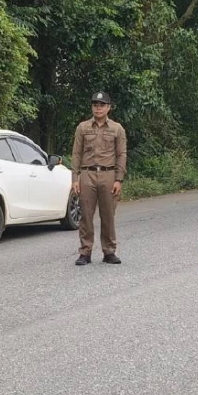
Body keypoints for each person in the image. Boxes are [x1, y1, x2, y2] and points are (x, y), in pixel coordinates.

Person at [70, 90, 128, 265]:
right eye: (95, 105)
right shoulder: (83, 128)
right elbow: (76, 154)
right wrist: (75, 178)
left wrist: (118, 179)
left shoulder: (117, 129)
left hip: (108, 174)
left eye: (102, 105)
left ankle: (109, 251)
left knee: (108, 215)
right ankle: (85, 252)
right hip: (87, 174)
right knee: (86, 215)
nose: (98, 108)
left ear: (109, 107)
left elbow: (121, 154)